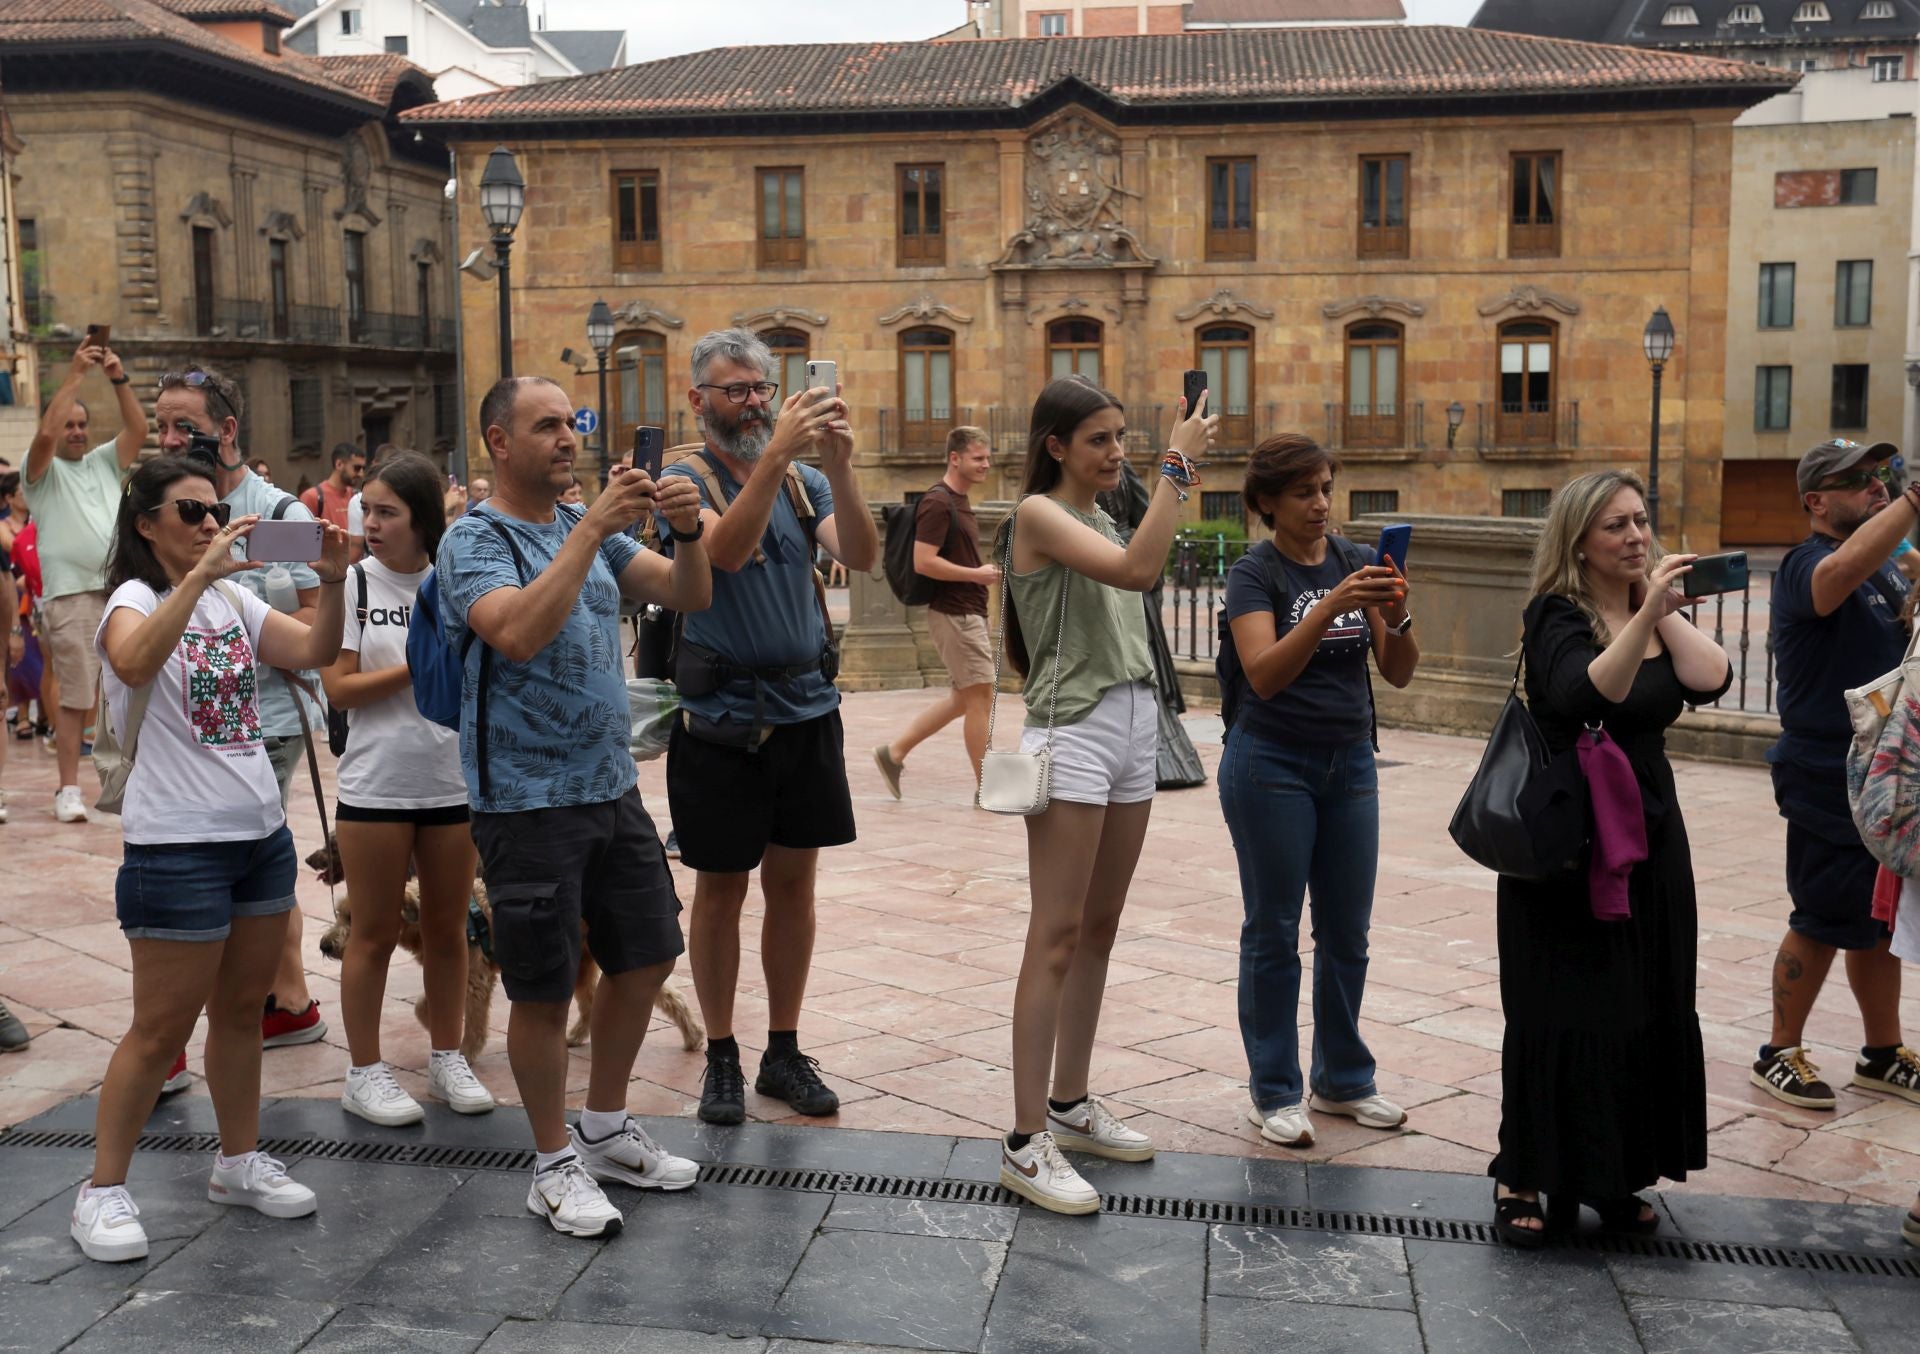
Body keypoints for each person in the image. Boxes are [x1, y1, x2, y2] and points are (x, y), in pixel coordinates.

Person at [438, 375, 710, 1239]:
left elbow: (688, 592)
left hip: (611, 786)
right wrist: (594, 527)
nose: (567, 438)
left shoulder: (575, 526)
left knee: (646, 957)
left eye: (570, 424)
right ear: (497, 442)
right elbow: (515, 631)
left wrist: (691, 529)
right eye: (545, 426)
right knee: (545, 988)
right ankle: (552, 1162)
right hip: (523, 804)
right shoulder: (473, 541)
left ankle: (602, 1127)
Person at [71, 454, 348, 1263]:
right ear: (145, 523)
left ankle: (237, 1162)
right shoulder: (134, 599)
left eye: (214, 508)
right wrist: (197, 578)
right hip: (175, 846)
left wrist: (331, 581)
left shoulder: (233, 599)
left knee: (239, 1016)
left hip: (257, 837)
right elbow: (129, 662)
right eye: (189, 512)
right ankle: (102, 1191)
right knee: (159, 1030)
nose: (207, 523)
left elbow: (312, 651)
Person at [1488, 470, 1730, 1245]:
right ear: (1579, 543)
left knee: (1641, 999)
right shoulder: (1554, 614)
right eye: (1615, 527)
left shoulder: (1646, 608)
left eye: (1640, 522)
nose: (1635, 538)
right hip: (1571, 843)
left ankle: (1613, 1171)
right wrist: (1641, 617)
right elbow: (1589, 693)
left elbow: (1711, 679)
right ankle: (1523, 1170)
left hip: (1650, 834)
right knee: (1561, 1008)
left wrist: (1660, 612)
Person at [994, 377, 1214, 1215]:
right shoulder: (1038, 516)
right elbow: (1140, 570)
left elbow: (1133, 554)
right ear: (1056, 446)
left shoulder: (1102, 515)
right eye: (1100, 440)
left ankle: (1070, 1105)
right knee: (1054, 934)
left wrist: (1162, 479)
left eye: (1123, 437)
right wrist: (1178, 466)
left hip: (1129, 725)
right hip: (1074, 731)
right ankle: (1024, 1142)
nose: (1117, 452)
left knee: (1100, 927)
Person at [660, 328, 878, 1127]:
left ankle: (782, 1051)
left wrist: (843, 466)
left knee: (795, 889)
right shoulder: (685, 479)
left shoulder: (803, 482)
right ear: (698, 401)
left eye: (761, 388)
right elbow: (720, 554)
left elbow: (860, 551)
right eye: (736, 390)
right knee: (720, 891)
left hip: (807, 713)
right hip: (721, 723)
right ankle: (722, 1053)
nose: (753, 402)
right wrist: (782, 454)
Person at [1218, 434, 1420, 1152]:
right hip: (1269, 764)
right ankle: (1273, 1090)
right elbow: (1263, 673)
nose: (1320, 504)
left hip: (1350, 765)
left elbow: (1399, 672)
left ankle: (1342, 1079)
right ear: (1267, 501)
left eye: (1326, 488)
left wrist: (1394, 612)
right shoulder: (1254, 573)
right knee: (1272, 929)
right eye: (1304, 491)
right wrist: (1329, 604)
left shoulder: (1358, 559)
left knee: (1347, 932)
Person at [155, 366, 327, 1049]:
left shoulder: (281, 517)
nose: (169, 439)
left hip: (266, 717)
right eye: (162, 425)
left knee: (240, 860)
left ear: (227, 431)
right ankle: (288, 998)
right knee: (258, 862)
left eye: (184, 426)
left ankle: (268, 1000)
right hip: (189, 721)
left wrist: (246, 619)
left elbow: (316, 613)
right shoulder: (164, 507)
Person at [322, 452, 493, 1126]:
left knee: (451, 931)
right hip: (376, 787)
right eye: (366, 509)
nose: (370, 522)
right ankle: (364, 1072)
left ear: (421, 519)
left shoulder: (455, 585)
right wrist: (417, 670)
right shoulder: (355, 586)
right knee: (373, 931)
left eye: (386, 511)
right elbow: (338, 686)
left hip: (451, 781)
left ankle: (448, 1057)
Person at [1758, 439, 1920, 1111]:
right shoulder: (1805, 564)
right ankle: (1779, 1051)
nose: (1876, 486)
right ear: (1815, 501)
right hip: (1824, 772)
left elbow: (1885, 566)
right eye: (1856, 480)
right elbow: (1840, 575)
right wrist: (1914, 501)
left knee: (1877, 918)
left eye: (1883, 475)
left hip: (1884, 777)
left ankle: (1882, 1052)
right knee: (1823, 915)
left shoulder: (1887, 568)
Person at [23, 338, 148, 822]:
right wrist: (75, 373)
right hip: (71, 597)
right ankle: (67, 790)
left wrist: (117, 377)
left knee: (128, 691)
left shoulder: (101, 461)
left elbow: (138, 428)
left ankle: (130, 783)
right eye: (69, 425)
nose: (75, 432)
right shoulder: (41, 472)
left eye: (82, 425)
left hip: (119, 591)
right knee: (76, 698)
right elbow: (44, 435)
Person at [873, 426, 999, 795]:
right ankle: (986, 788)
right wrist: (976, 575)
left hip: (966, 611)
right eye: (978, 458)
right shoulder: (939, 503)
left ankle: (893, 753)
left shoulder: (958, 501)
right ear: (955, 458)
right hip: (955, 613)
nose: (986, 465)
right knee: (980, 699)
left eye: (987, 458)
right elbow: (924, 562)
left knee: (964, 699)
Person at [301, 443, 364, 532]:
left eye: (363, 469)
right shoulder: (312, 497)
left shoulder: (357, 496)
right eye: (357, 468)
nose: (361, 474)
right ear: (339, 464)